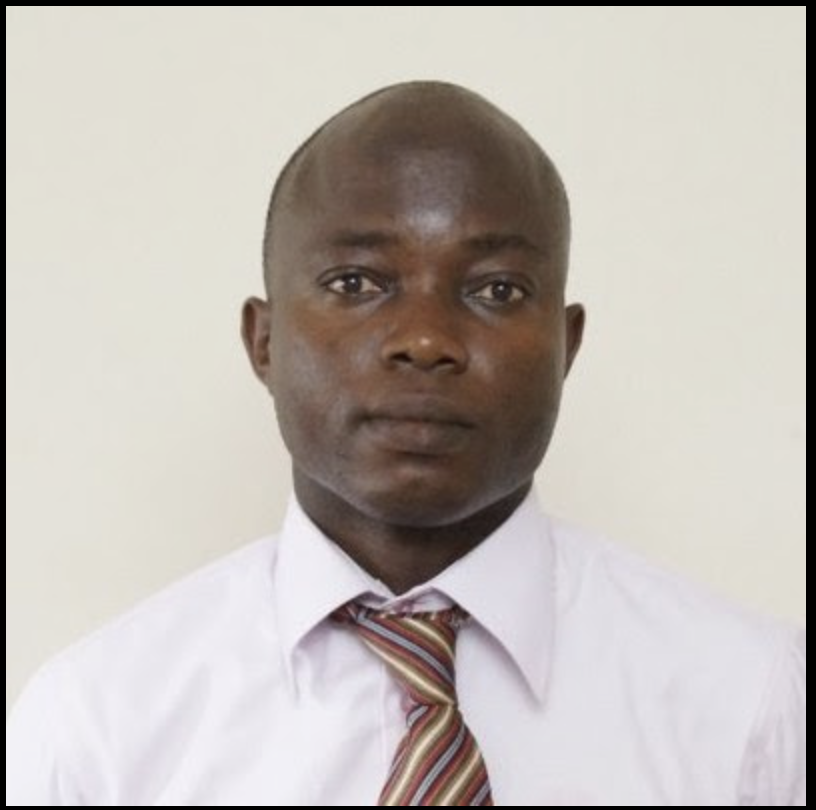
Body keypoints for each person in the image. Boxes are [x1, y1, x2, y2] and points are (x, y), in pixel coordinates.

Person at [6, 81, 805, 807]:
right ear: (264, 341)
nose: (425, 340)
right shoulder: (96, 726)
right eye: (356, 282)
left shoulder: (753, 703)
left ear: (567, 346)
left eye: (497, 289)